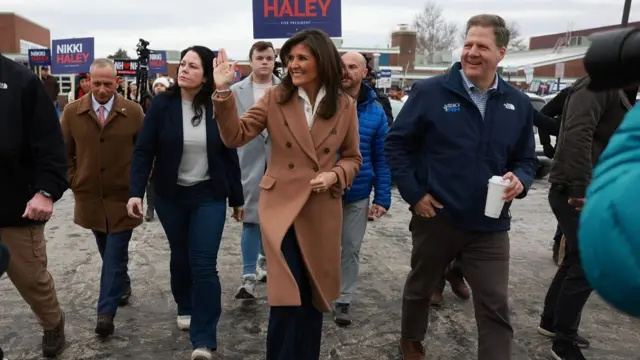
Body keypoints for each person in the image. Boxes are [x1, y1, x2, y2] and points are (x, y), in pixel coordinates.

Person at [385, 14, 537, 360]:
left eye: (481, 46)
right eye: (468, 44)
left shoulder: (518, 103)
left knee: (495, 304)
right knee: (421, 287)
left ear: (501, 52)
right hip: (437, 215)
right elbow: (396, 145)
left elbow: (526, 160)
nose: (471, 52)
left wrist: (521, 181)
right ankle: (411, 339)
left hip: (490, 224)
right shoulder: (430, 92)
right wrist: (414, 194)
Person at [211, 28, 362, 360]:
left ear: (321, 62)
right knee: (285, 296)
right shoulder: (275, 99)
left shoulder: (345, 105)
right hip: (281, 208)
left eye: (301, 58)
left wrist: (335, 174)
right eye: (290, 58)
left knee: (313, 295)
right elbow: (235, 135)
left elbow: (353, 157)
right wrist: (222, 91)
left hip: (321, 209)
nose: (292, 64)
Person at [127, 45, 244, 360]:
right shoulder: (163, 105)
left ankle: (204, 338)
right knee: (181, 255)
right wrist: (135, 192)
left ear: (206, 74)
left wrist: (238, 197)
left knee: (204, 263)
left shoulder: (216, 105)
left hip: (208, 195)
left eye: (193, 66)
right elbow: (143, 151)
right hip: (170, 195)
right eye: (183, 65)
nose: (184, 70)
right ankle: (185, 303)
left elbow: (229, 150)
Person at [538, 77, 636, 360]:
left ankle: (551, 322)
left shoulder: (622, 89)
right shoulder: (598, 84)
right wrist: (581, 187)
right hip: (576, 188)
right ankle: (563, 341)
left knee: (576, 258)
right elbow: (579, 132)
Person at [60, 58, 144, 338]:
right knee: (108, 250)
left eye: (108, 83)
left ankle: (105, 313)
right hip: (91, 199)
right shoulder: (72, 113)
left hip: (124, 199)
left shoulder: (133, 112)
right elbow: (64, 153)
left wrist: (138, 185)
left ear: (117, 82)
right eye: (97, 83)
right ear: (88, 82)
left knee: (115, 251)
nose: (102, 89)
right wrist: (75, 180)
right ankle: (123, 284)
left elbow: (145, 154)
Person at [0, 52, 68, 358]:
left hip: (14, 207)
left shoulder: (21, 81)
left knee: (32, 280)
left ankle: (52, 321)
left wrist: (46, 191)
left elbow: (51, 145)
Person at [333, 51, 391, 326]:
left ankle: (343, 299)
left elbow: (381, 158)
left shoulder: (376, 112)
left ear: (364, 73)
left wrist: (382, 197)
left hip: (357, 194)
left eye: (352, 66)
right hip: (323, 193)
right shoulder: (322, 104)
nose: (345, 71)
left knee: (351, 248)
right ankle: (318, 292)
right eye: (341, 66)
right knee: (322, 247)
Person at [579, 100, 640, 319]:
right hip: (589, 182)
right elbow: (578, 132)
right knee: (575, 264)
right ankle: (558, 329)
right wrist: (578, 183)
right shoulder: (598, 89)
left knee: (577, 264)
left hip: (602, 183)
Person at [232, 41, 280, 299]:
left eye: (269, 58)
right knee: (250, 220)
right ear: (250, 61)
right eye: (260, 57)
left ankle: (268, 264)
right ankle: (248, 276)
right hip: (247, 162)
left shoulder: (287, 90)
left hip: (280, 164)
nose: (264, 62)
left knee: (274, 222)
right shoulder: (235, 91)